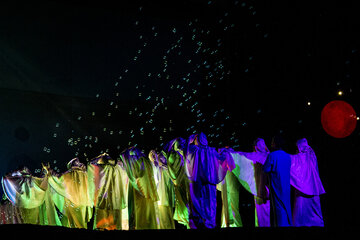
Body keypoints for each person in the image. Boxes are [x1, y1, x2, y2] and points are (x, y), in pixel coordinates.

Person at [185, 132, 234, 228]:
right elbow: (221, 159)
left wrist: (188, 141)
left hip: (197, 182)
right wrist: (225, 152)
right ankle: (209, 224)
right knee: (210, 204)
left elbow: (185, 152)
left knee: (197, 203)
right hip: (209, 183)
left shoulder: (194, 149)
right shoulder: (211, 151)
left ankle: (199, 223)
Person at [224, 138, 271, 227]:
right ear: (256, 147)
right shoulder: (255, 155)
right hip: (259, 188)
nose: (262, 146)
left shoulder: (269, 156)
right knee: (260, 211)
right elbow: (241, 155)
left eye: (263, 143)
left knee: (267, 210)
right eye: (260, 144)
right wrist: (229, 153)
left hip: (268, 188)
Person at [47, 158, 93, 228]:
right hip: (83, 202)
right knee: (82, 222)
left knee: (72, 223)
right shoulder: (86, 175)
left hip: (71, 202)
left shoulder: (69, 174)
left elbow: (58, 180)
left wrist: (49, 171)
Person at [119, 147, 159, 230]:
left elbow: (123, 155)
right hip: (142, 190)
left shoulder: (142, 160)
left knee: (142, 212)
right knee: (141, 212)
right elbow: (123, 155)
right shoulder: (138, 160)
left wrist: (128, 149)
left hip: (142, 189)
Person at [290, 138, 325, 226]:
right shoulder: (308, 156)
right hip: (310, 189)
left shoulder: (305, 156)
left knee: (303, 211)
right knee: (305, 210)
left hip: (306, 189)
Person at [87, 153, 126, 230]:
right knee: (103, 219)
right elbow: (90, 163)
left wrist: (101, 156)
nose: (107, 155)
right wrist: (100, 156)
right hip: (105, 198)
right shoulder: (99, 168)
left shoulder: (117, 167)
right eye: (105, 156)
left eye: (108, 155)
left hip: (112, 197)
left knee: (112, 220)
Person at [161, 137, 190, 229]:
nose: (180, 145)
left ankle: (189, 222)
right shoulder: (172, 154)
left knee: (187, 201)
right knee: (182, 202)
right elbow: (171, 169)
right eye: (178, 143)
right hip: (178, 181)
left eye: (182, 143)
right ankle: (186, 222)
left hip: (185, 180)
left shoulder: (185, 153)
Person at [263, 135, 292, 227]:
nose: (271, 144)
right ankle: (288, 224)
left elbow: (266, 169)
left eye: (272, 142)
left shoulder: (272, 155)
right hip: (286, 185)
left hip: (276, 185)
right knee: (286, 205)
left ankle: (280, 226)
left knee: (278, 207)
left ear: (276, 143)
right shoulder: (288, 156)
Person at [149, 150, 175, 229]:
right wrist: (152, 159)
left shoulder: (168, 168)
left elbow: (173, 178)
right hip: (161, 199)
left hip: (169, 198)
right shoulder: (158, 168)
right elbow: (155, 177)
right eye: (160, 158)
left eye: (163, 158)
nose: (161, 159)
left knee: (171, 219)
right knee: (164, 220)